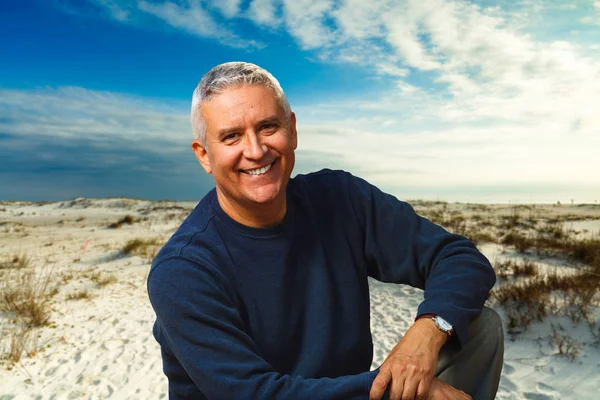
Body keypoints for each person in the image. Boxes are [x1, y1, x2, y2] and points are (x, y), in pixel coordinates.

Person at [147, 62, 504, 400]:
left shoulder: (340, 199)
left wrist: (428, 331)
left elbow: (458, 257)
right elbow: (255, 394)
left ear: (293, 130)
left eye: (268, 127)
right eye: (232, 137)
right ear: (204, 155)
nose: (255, 150)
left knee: (476, 327)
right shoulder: (183, 270)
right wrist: (406, 390)